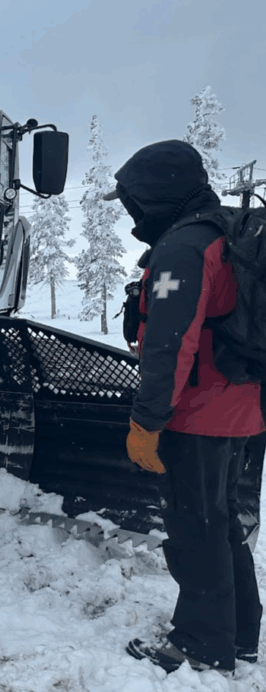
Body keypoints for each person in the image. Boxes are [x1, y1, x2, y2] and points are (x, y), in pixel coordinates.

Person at [104, 140, 263, 672]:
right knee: (216, 522)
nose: (133, 214)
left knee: (195, 530)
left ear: (156, 195)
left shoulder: (185, 248)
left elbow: (171, 346)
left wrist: (146, 423)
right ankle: (240, 632)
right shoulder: (220, 234)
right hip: (240, 408)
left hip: (198, 414)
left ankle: (201, 642)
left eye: (134, 202)